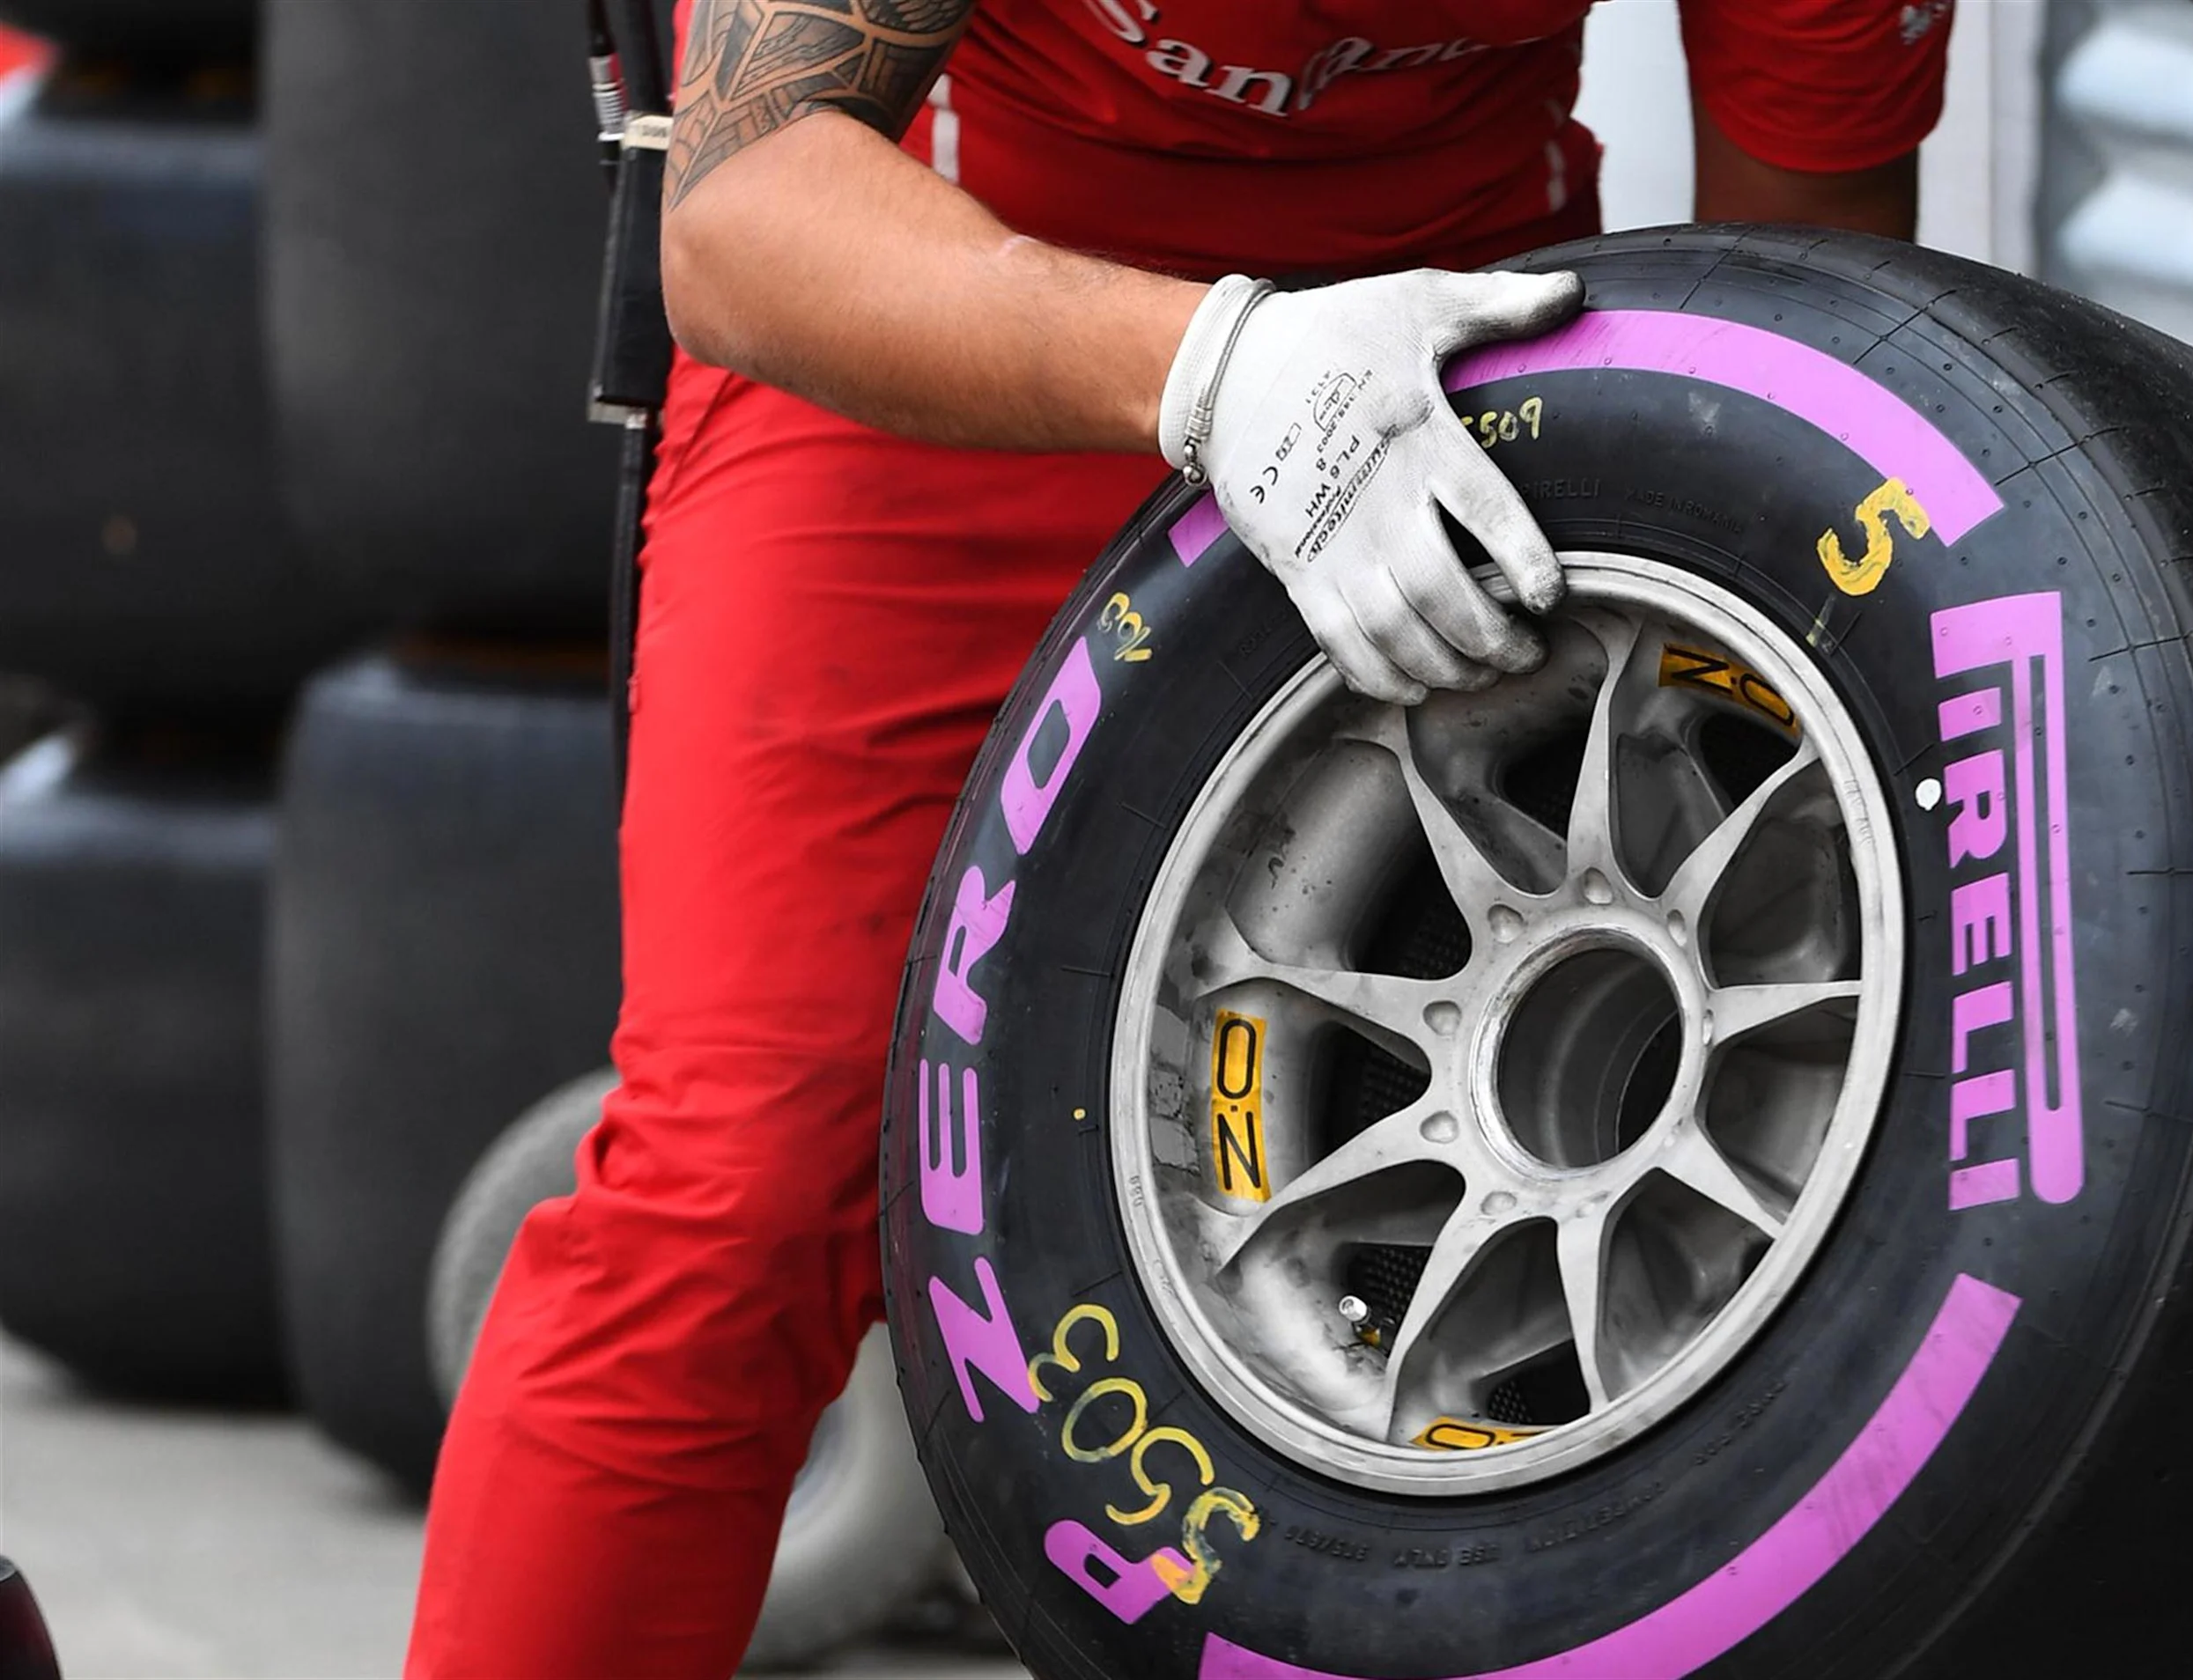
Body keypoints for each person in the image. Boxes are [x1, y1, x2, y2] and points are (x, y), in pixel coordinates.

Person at [407, 0, 1946, 1671]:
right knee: (739, 1207)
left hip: (1447, 351)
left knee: (1614, 1229)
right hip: (927, 323)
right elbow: (740, 207)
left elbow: (1819, 319)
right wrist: (1220, 371)